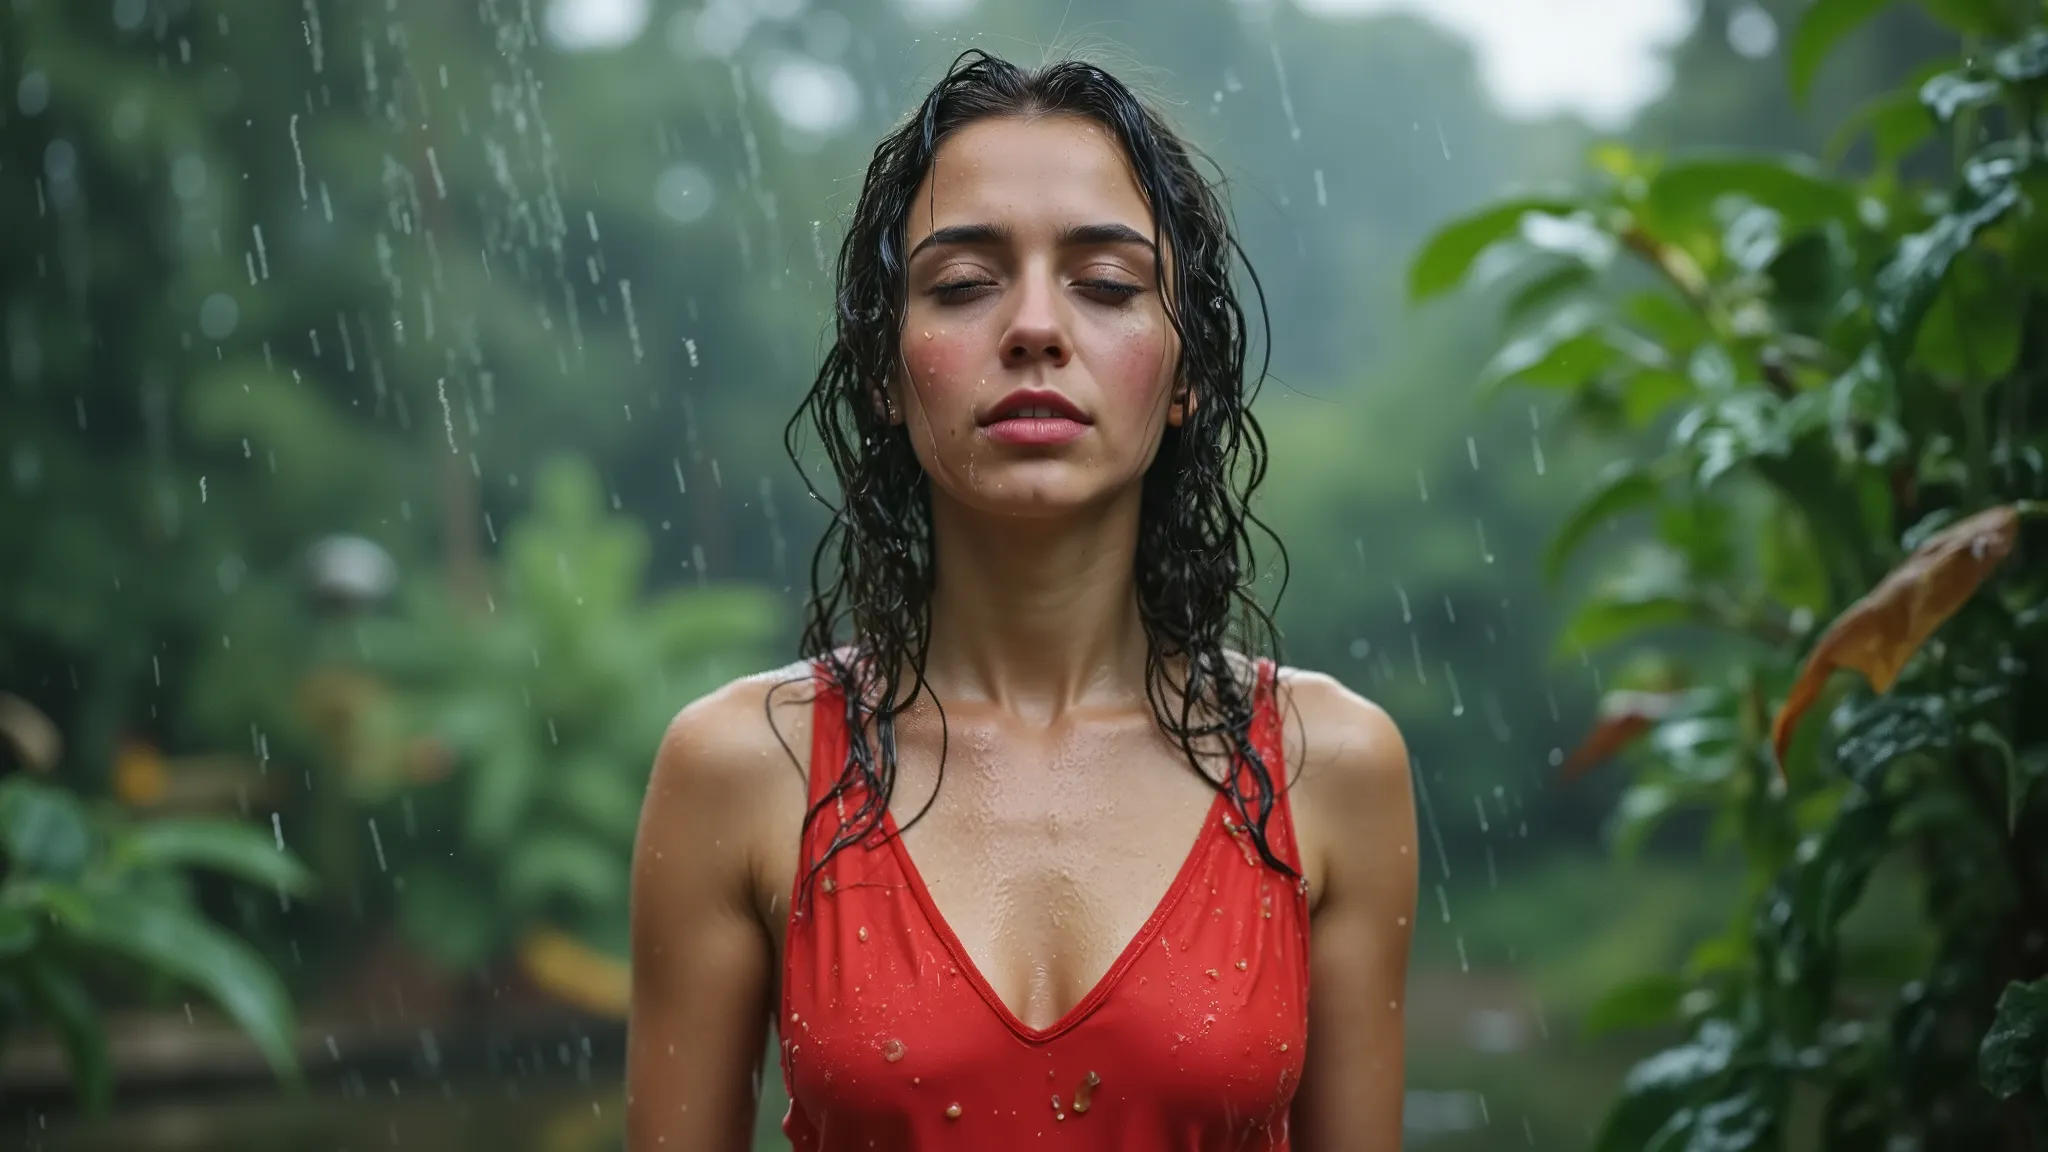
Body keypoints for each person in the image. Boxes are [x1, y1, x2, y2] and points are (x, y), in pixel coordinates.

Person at [627, 50, 1418, 1151]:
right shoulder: (737, 771)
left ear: (1186, 372)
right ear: (882, 373)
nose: (1034, 327)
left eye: (1104, 285)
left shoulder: (1326, 766)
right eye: (960, 285)